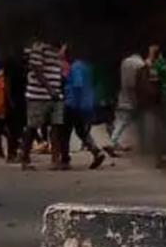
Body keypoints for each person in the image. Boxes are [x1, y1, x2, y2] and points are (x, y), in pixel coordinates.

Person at [20, 38, 66, 171]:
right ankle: (25, 158)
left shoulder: (58, 47)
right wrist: (50, 89)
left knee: (56, 126)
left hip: (55, 94)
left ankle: (55, 160)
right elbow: (36, 68)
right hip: (37, 95)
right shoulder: (39, 46)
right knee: (32, 126)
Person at [61, 47, 106, 170]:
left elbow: (78, 85)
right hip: (84, 104)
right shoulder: (87, 66)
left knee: (65, 132)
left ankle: (65, 160)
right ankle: (96, 151)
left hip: (73, 103)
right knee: (81, 131)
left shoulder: (76, 67)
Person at [108, 48, 148, 155]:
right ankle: (113, 143)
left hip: (123, 94)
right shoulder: (141, 64)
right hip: (135, 96)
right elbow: (141, 81)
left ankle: (114, 142)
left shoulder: (125, 61)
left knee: (122, 120)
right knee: (135, 121)